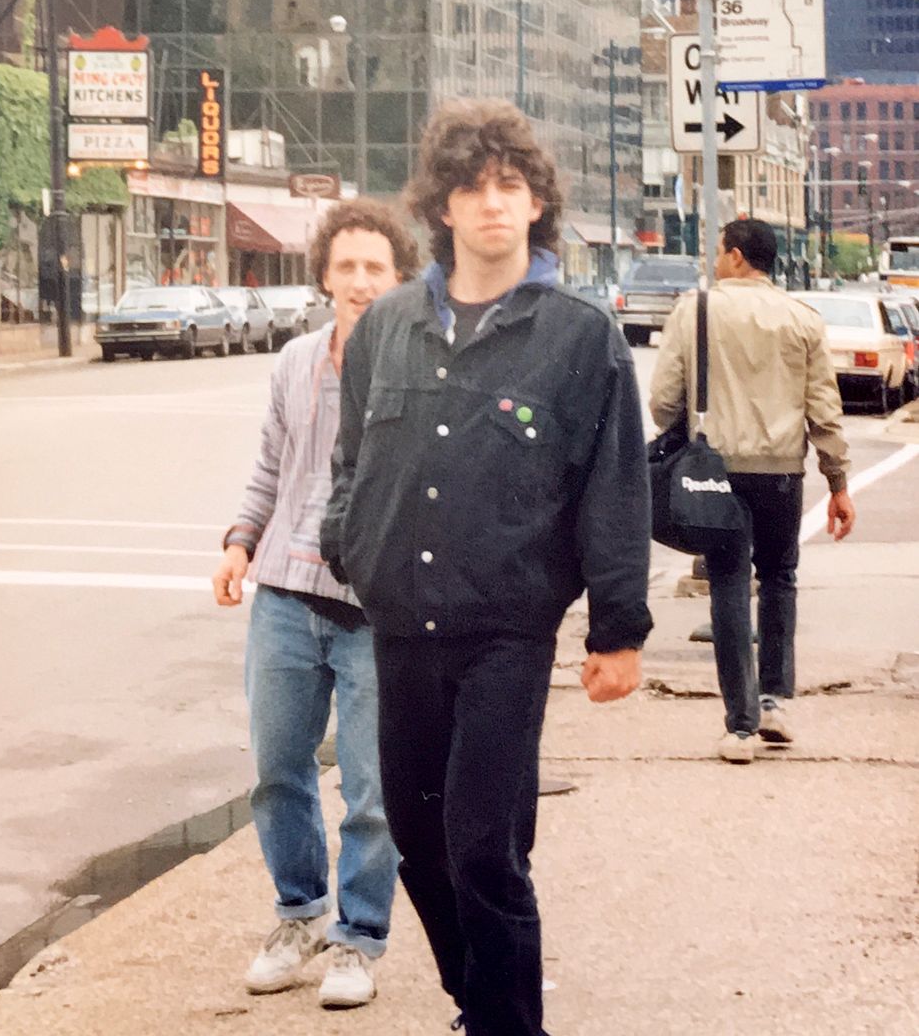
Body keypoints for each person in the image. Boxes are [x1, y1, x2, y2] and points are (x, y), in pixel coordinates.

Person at [321, 101, 652, 1036]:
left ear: (537, 202)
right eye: (471, 188)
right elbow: (350, 460)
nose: (492, 203)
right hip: (400, 626)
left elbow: (613, 489)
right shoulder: (387, 327)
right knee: (418, 843)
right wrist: (348, 541)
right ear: (443, 207)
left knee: (484, 847)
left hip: (506, 632)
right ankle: (482, 1001)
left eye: (509, 185)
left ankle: (508, 1024)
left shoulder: (578, 337)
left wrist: (618, 629)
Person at [213, 198, 420, 1009]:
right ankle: (297, 913)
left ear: (399, 278)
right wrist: (240, 541)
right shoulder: (295, 360)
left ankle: (357, 938)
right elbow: (271, 463)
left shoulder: (419, 367)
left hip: (376, 610)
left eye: (375, 268)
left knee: (372, 790)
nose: (360, 281)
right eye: (346, 267)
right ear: (324, 276)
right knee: (277, 772)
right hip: (284, 596)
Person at [650, 217, 855, 764]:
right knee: (780, 577)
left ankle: (739, 728)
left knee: (728, 582)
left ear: (737, 256)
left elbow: (664, 400)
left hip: (715, 471)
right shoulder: (803, 318)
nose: (716, 260)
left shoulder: (695, 310)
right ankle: (773, 702)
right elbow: (824, 410)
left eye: (720, 250)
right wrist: (837, 482)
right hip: (783, 472)